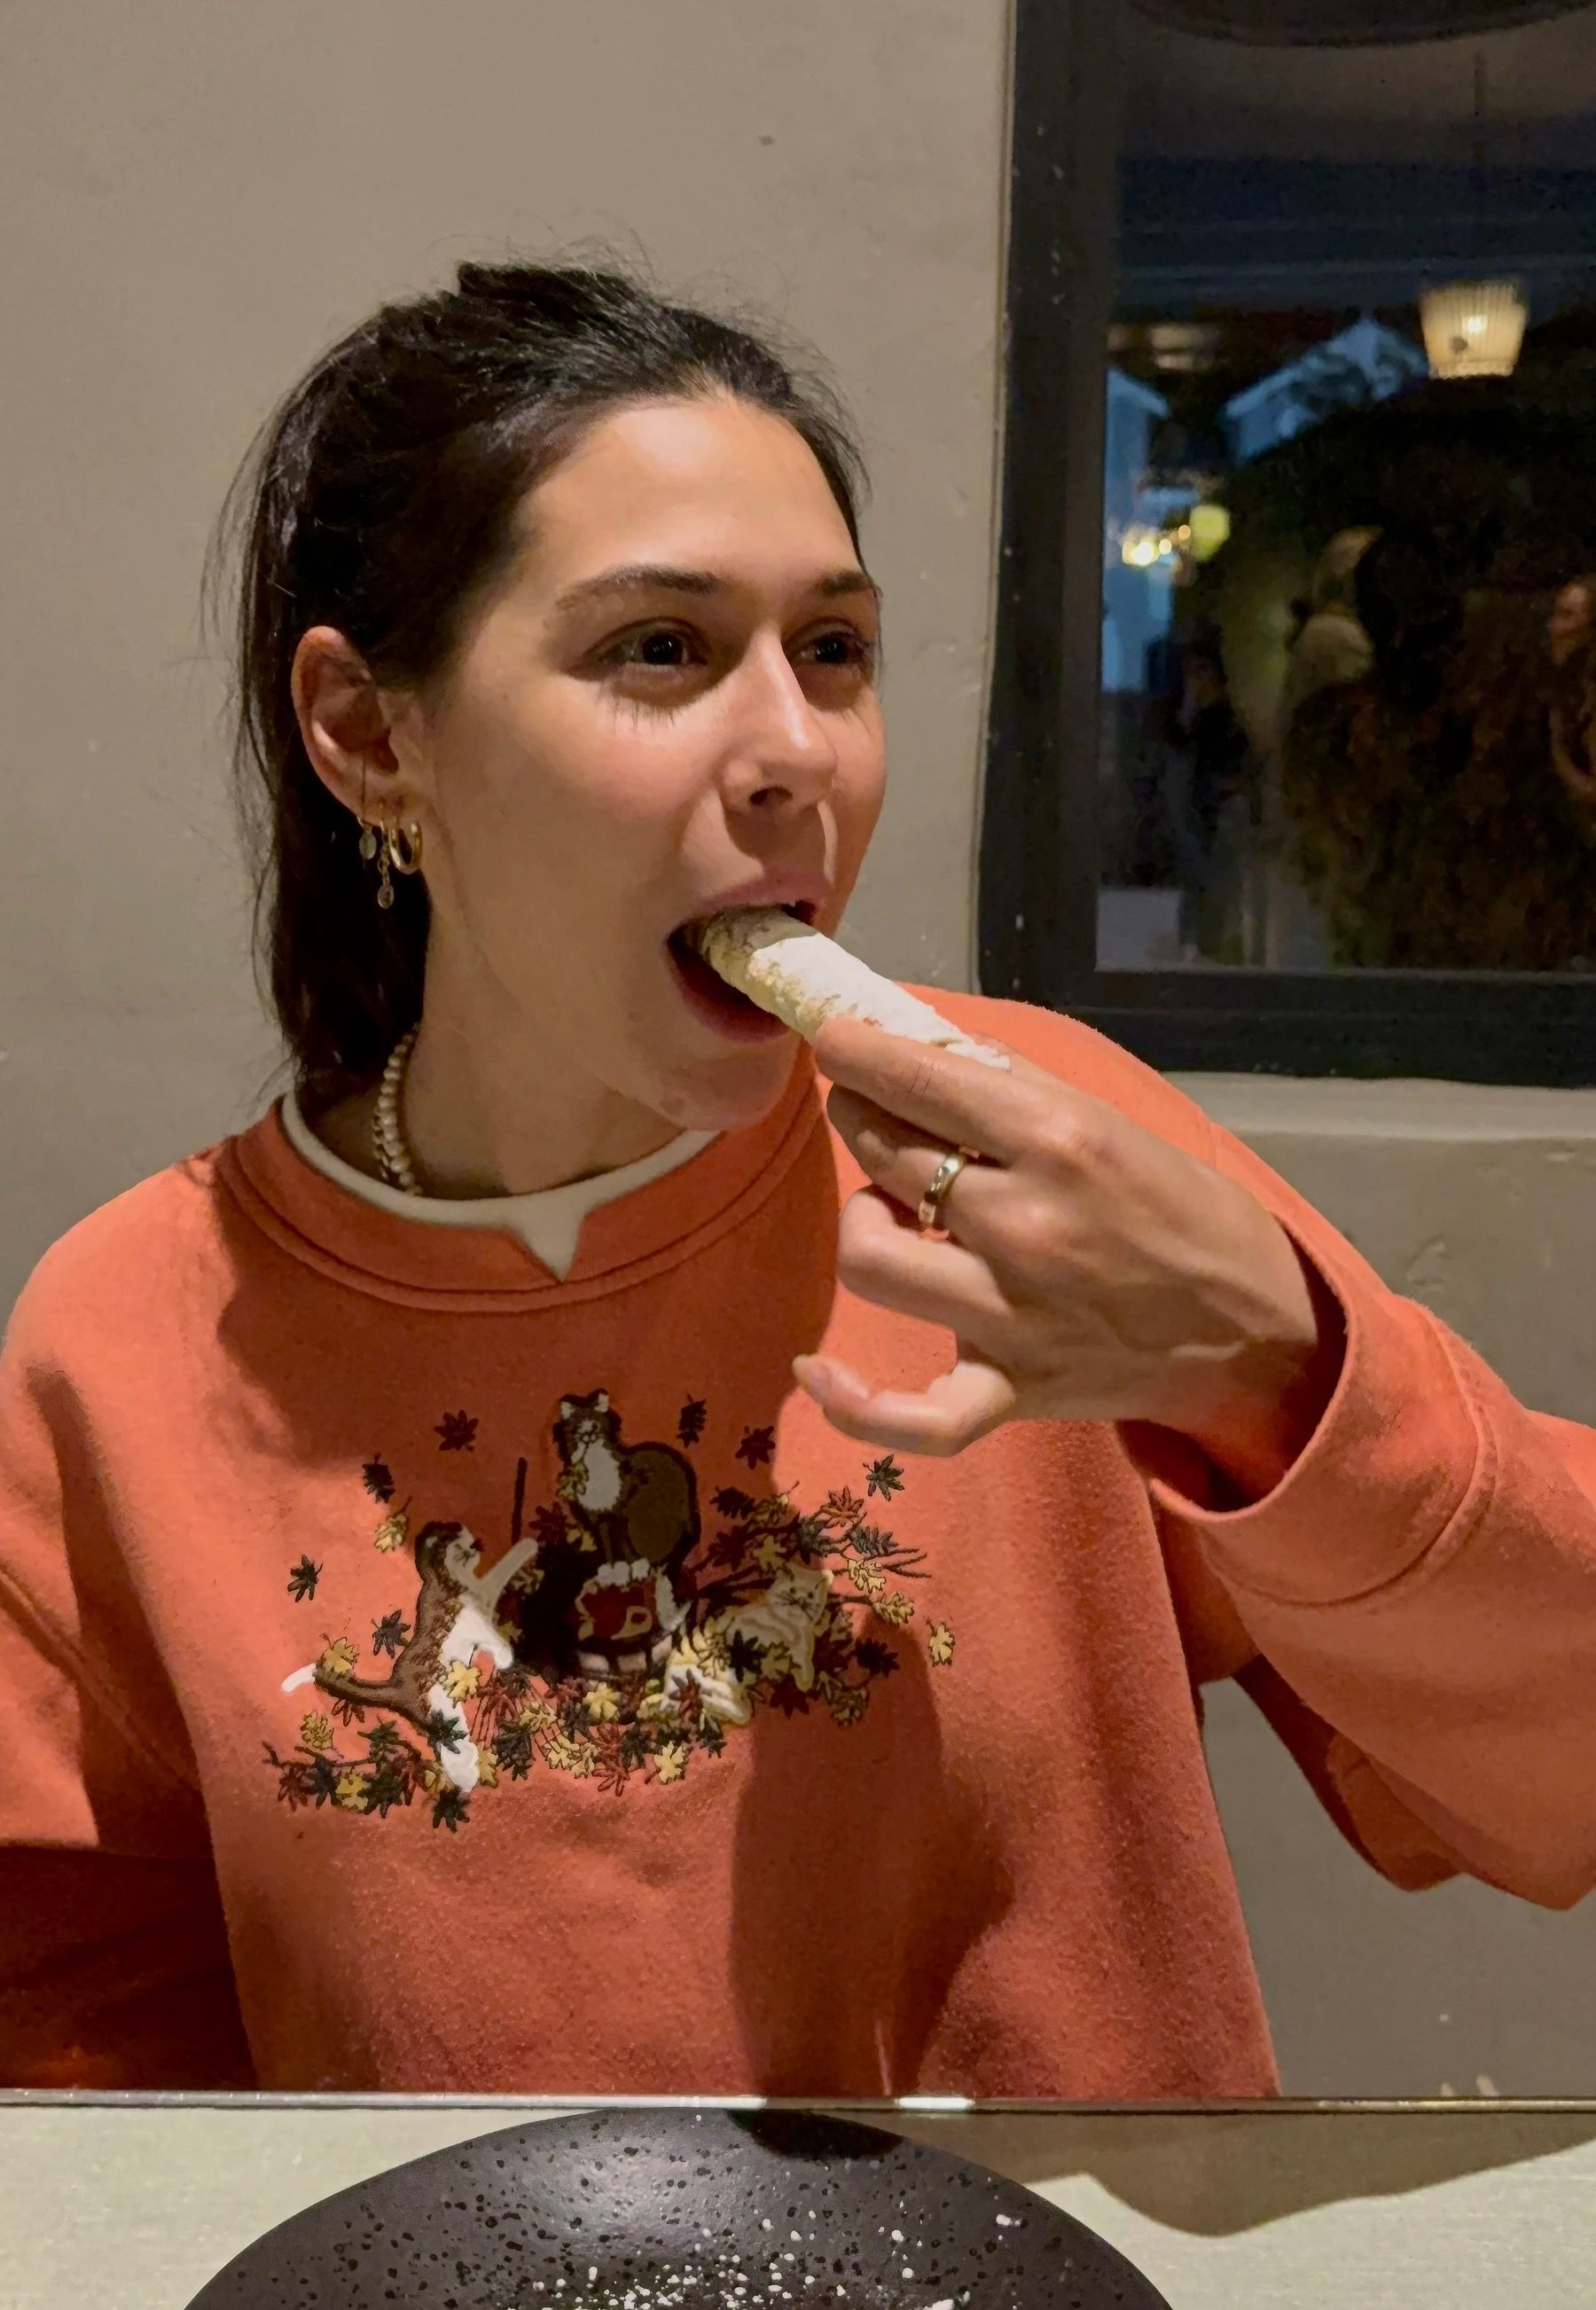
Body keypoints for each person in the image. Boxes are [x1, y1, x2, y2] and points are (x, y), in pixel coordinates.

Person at [2, 261, 1594, 2099]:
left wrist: (1267, 1367)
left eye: (831, 650)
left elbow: (1551, 1788)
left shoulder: (1041, 1155)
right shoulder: (128, 1334)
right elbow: (91, 2079)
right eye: (659, 650)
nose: (796, 755)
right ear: (372, 733)